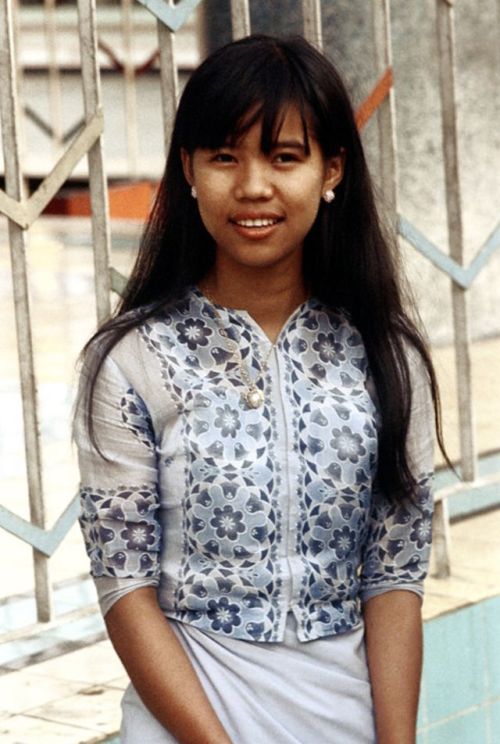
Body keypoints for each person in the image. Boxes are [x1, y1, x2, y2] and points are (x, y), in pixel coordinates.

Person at [75, 34, 446, 744]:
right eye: (224, 156)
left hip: (343, 716)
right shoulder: (130, 361)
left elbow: (394, 578)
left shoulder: (386, 356)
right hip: (186, 722)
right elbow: (125, 588)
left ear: (331, 169)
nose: (251, 187)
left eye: (284, 157)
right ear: (188, 168)